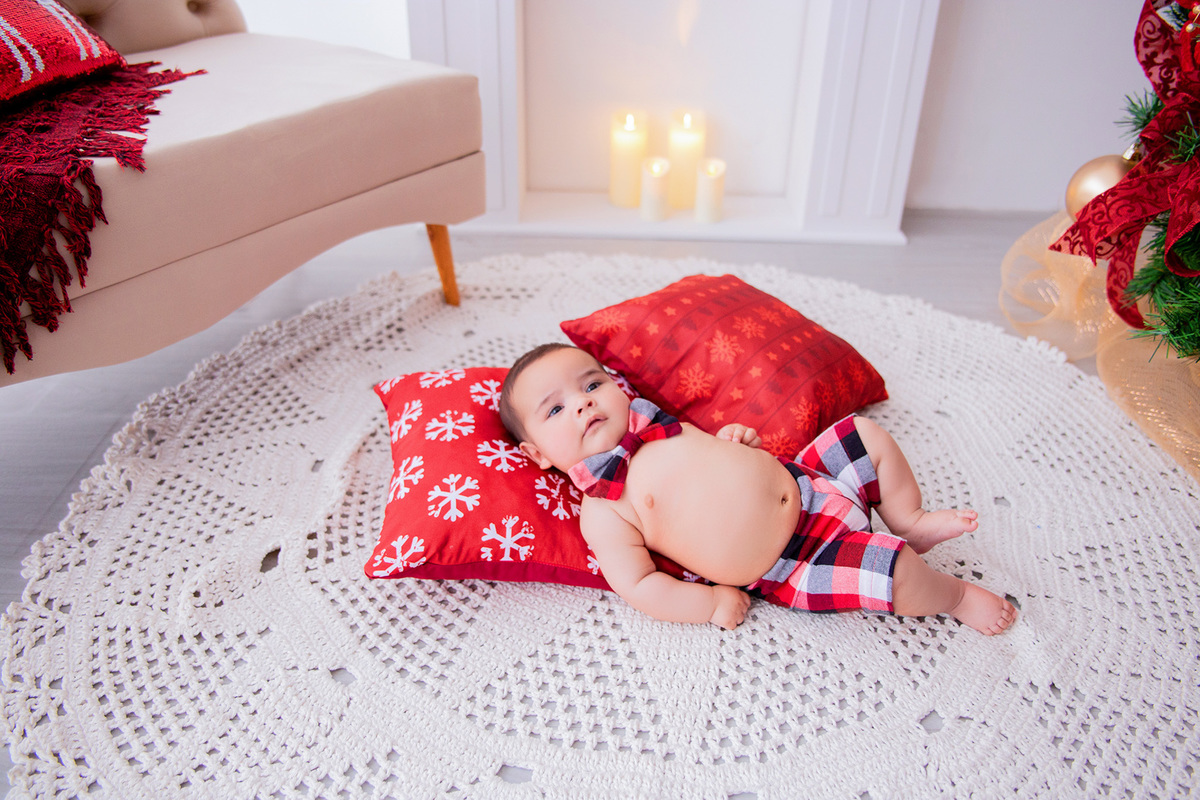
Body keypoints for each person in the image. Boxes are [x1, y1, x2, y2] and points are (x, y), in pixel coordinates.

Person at [498, 343, 1017, 634]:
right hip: (800, 559)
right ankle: (956, 596)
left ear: (615, 386)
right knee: (899, 575)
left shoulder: (654, 422)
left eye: (591, 385)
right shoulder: (604, 510)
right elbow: (638, 587)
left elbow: (715, 456)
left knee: (862, 434)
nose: (584, 404)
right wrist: (709, 604)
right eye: (556, 409)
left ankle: (908, 518)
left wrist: (735, 440)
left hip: (809, 481)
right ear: (539, 455)